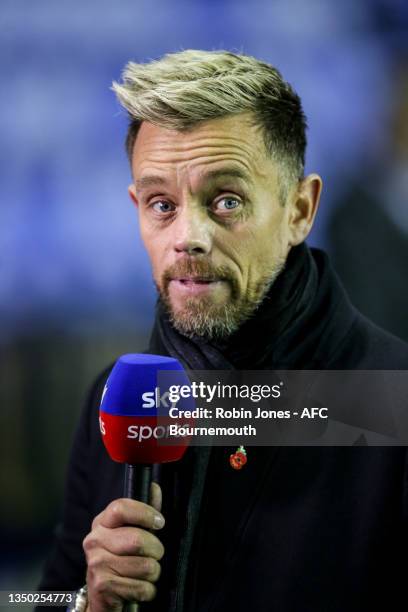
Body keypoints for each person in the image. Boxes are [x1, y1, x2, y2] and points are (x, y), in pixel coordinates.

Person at [38, 50, 408, 612]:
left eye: (226, 201)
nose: (188, 237)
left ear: (299, 210)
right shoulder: (113, 402)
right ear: (137, 207)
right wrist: (88, 601)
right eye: (162, 204)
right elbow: (47, 599)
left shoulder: (394, 404)